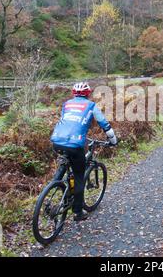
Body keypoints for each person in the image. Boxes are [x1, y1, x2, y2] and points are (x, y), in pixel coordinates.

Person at [50, 82, 117, 221]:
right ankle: (78, 212)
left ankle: (53, 186)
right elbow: (104, 124)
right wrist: (113, 140)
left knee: (66, 163)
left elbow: (68, 121)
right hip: (75, 144)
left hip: (56, 140)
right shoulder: (91, 106)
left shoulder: (67, 104)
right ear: (88, 93)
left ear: (74, 93)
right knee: (79, 176)